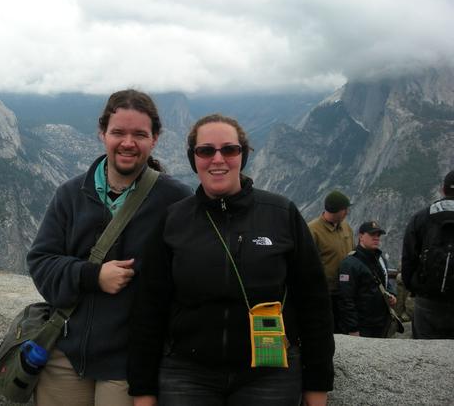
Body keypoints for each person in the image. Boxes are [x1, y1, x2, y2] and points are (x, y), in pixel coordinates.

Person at [128, 114, 334, 406]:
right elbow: (149, 308)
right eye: (205, 150)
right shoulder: (173, 220)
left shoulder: (281, 214)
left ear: (243, 155)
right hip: (187, 373)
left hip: (269, 374)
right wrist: (143, 391)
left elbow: (314, 303)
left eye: (229, 149)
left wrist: (317, 386)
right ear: (193, 158)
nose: (218, 159)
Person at [26, 89, 192, 406]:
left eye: (139, 134)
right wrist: (92, 275)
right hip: (66, 354)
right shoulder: (71, 194)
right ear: (103, 133)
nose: (128, 143)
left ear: (154, 138)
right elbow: (40, 262)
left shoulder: (174, 200)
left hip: (128, 359)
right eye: (118, 132)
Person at [401, 170, 454, 339]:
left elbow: (408, 259)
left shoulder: (421, 217)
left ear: (443, 190)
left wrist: (415, 287)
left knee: (423, 354)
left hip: (427, 302)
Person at [338, 221, 397, 337]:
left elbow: (385, 280)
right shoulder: (349, 264)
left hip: (381, 323)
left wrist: (391, 293)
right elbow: (346, 299)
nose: (376, 238)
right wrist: (353, 328)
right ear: (361, 236)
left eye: (378, 235)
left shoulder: (380, 259)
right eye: (372, 235)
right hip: (363, 326)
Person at [308, 190, 354, 333]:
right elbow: (307, 264)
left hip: (347, 291)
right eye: (344, 209)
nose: (347, 212)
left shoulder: (346, 227)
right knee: (327, 329)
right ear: (336, 210)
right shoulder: (313, 230)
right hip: (326, 293)